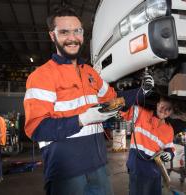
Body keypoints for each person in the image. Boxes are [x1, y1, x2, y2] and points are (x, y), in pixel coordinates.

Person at [23, 4, 153, 195]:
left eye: (77, 31)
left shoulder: (90, 73)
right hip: (66, 170)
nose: (72, 38)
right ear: (53, 36)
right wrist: (82, 119)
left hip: (98, 165)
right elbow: (37, 129)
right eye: (64, 32)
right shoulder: (42, 76)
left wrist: (142, 91)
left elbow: (115, 100)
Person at [122, 97, 175, 195]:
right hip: (138, 167)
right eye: (162, 106)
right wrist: (141, 92)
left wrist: (169, 154)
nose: (164, 110)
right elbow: (124, 107)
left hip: (155, 171)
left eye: (168, 109)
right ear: (157, 105)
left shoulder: (169, 129)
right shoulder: (141, 113)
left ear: (171, 112)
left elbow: (170, 148)